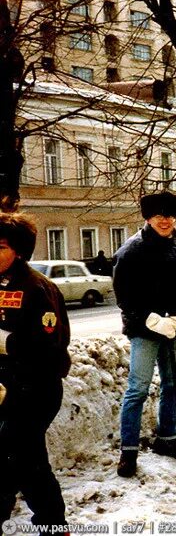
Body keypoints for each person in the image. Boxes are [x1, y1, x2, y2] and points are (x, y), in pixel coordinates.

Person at [113, 191, 176, 478]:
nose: (165, 221)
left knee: (173, 385)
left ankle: (167, 439)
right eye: (159, 216)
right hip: (144, 331)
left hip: (174, 329)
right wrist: (151, 320)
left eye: (169, 216)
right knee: (138, 389)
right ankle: (128, 450)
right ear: (148, 218)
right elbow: (124, 296)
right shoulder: (131, 250)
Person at [0, 213, 71, 534]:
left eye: (0, 246)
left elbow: (49, 346)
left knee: (25, 460)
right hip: (4, 387)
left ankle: (54, 525)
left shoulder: (37, 288)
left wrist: (6, 343)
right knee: (12, 458)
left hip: (35, 388)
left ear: (18, 250)